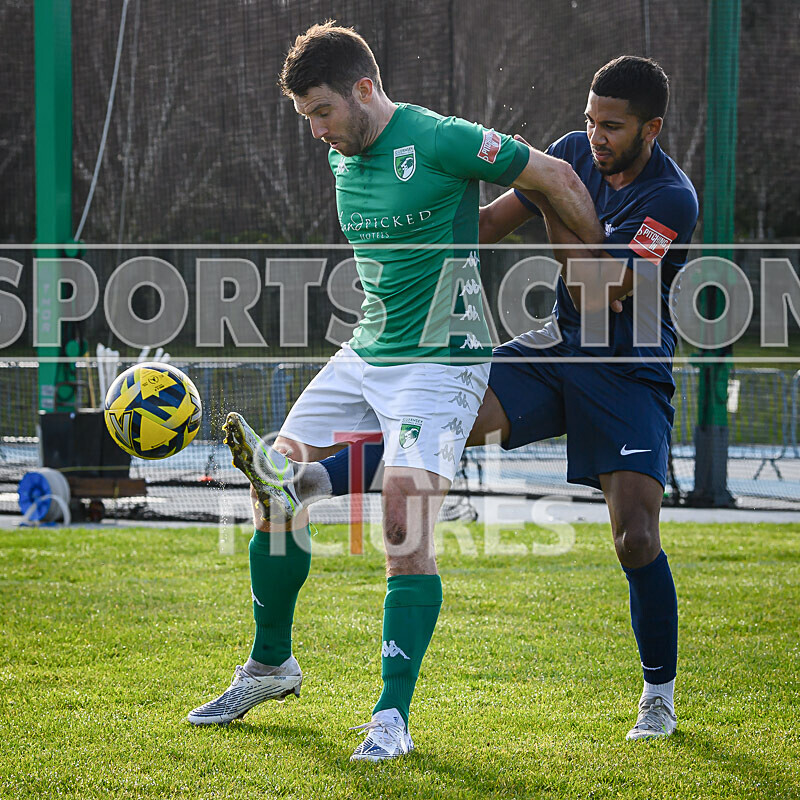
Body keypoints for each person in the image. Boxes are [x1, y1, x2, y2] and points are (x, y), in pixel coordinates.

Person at [187, 21, 603, 762]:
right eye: (305, 118)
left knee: (404, 528)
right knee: (273, 482)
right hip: (366, 351)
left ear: (365, 89)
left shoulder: (441, 137)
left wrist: (601, 278)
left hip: (443, 361)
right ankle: (270, 665)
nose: (316, 132)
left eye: (322, 112)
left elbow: (557, 180)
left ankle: (390, 719)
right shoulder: (346, 157)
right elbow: (452, 230)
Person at [281, 55, 699, 742]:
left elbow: (599, 293)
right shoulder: (569, 153)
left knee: (634, 537)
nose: (594, 137)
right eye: (589, 120)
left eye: (613, 127)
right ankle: (313, 478)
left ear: (651, 128)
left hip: (627, 368)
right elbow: (485, 226)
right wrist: (430, 228)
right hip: (554, 351)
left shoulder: (672, 200)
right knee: (433, 428)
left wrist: (558, 205)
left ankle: (659, 696)